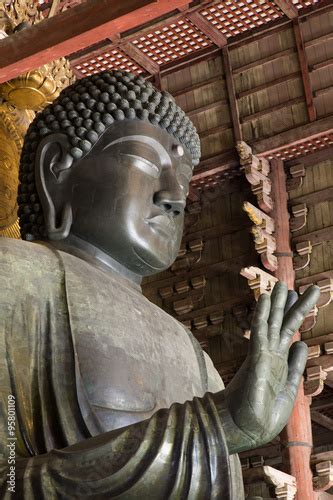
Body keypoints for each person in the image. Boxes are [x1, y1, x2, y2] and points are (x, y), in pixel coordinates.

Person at [0, 70, 319, 499]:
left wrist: (221, 428)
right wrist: (216, 426)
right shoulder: (14, 277)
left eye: (184, 179)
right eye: (148, 162)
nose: (175, 195)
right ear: (56, 167)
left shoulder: (196, 357)